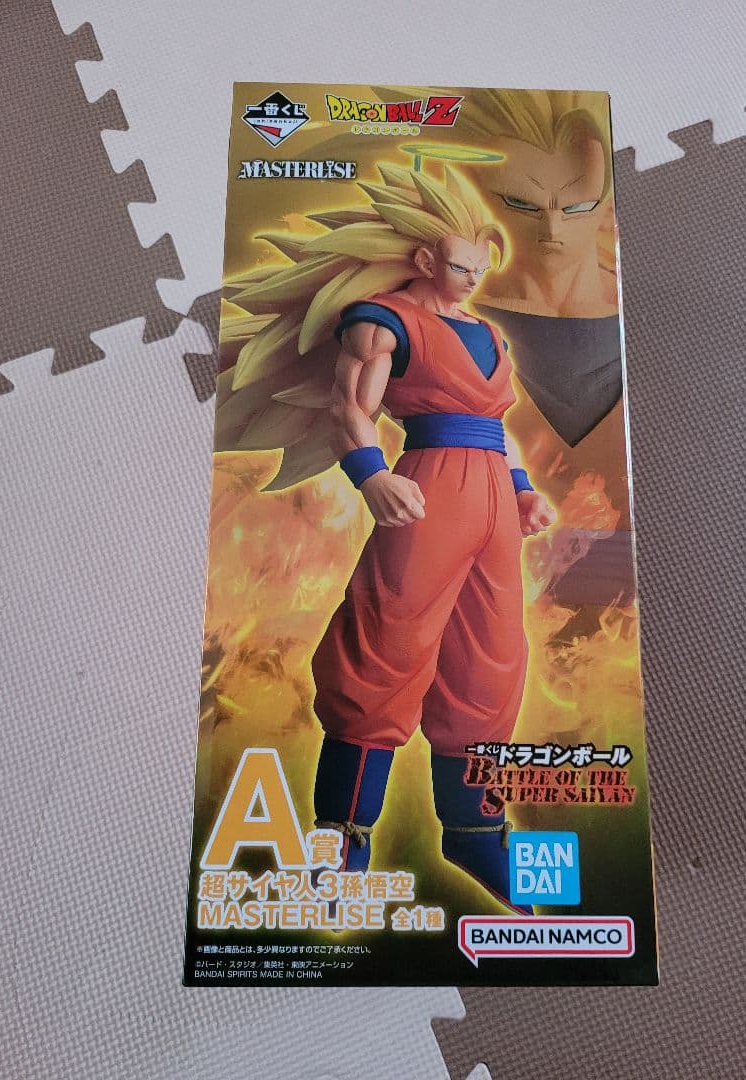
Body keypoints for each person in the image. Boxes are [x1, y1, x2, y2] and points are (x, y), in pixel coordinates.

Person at [217, 166, 555, 912]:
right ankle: (343, 837)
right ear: (426, 259)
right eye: (459, 266)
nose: (470, 280)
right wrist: (371, 476)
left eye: (479, 269)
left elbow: (496, 427)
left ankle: (474, 832)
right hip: (427, 489)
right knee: (384, 648)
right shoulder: (382, 320)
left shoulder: (487, 334)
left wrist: (524, 491)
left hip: (493, 499)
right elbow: (349, 408)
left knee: (492, 660)